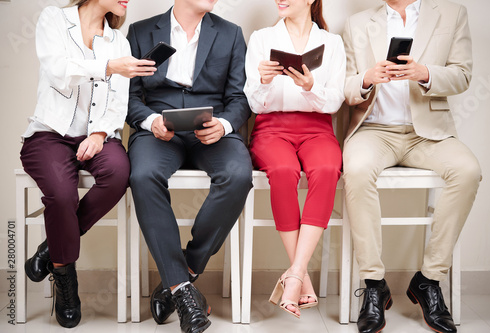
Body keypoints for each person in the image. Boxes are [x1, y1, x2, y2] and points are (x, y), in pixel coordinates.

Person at [342, 0, 481, 332]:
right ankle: (374, 284)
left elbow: (463, 75)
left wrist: (425, 73)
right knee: (357, 171)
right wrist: (366, 79)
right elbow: (345, 88)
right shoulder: (356, 23)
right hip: (374, 131)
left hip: (428, 134)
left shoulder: (452, 13)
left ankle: (429, 279)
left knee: (468, 171)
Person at [20, 0, 156, 328]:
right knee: (61, 195)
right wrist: (108, 67)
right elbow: (58, 71)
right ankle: (65, 275)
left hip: (97, 135)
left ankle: (50, 248)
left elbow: (118, 102)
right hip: (49, 133)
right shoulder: (54, 19)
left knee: (120, 172)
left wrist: (97, 134)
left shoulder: (118, 41)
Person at [125, 0, 253, 332]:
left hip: (211, 129)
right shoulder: (140, 32)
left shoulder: (231, 34)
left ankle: (184, 271)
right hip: (158, 131)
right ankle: (182, 292)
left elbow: (239, 98)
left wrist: (224, 125)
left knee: (238, 174)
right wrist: (151, 120)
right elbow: (129, 97)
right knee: (142, 174)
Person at [244, 0, 345, 318]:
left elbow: (335, 99)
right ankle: (300, 275)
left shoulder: (331, 42)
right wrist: (263, 80)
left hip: (317, 128)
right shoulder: (261, 38)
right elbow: (254, 103)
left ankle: (294, 274)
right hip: (272, 128)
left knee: (329, 167)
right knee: (284, 170)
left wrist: (311, 86)